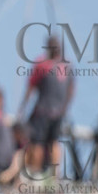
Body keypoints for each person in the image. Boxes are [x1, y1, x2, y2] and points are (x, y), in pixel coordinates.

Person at [21, 34, 76, 178]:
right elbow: (71, 92)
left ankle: (35, 173)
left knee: (37, 143)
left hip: (43, 111)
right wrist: (64, 109)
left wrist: (22, 108)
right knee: (54, 142)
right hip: (59, 113)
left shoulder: (42, 65)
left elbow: (30, 88)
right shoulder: (67, 67)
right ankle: (55, 176)